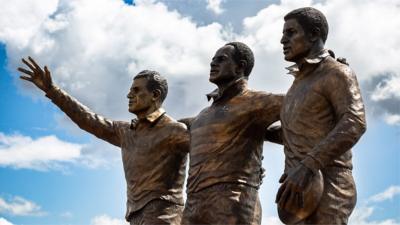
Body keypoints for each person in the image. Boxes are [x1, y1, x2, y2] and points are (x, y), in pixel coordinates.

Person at [18, 58, 189, 225]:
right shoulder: (126, 131)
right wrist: (52, 90)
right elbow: (88, 120)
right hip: (135, 216)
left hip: (165, 217)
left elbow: (211, 155)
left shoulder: (175, 130)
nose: (129, 95)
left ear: (155, 95)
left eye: (136, 90)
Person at [275, 7, 367, 224]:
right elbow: (301, 132)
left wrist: (308, 165)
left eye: (290, 33)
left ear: (314, 34)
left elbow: (355, 122)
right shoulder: (298, 84)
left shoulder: (336, 72)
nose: (282, 40)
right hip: (298, 189)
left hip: (329, 183)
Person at [180, 42, 283, 225]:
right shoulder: (202, 116)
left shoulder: (256, 102)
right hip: (193, 207)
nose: (213, 64)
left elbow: (306, 105)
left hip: (233, 205)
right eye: (212, 60)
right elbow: (166, 129)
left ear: (240, 66)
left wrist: (322, 72)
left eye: (221, 60)